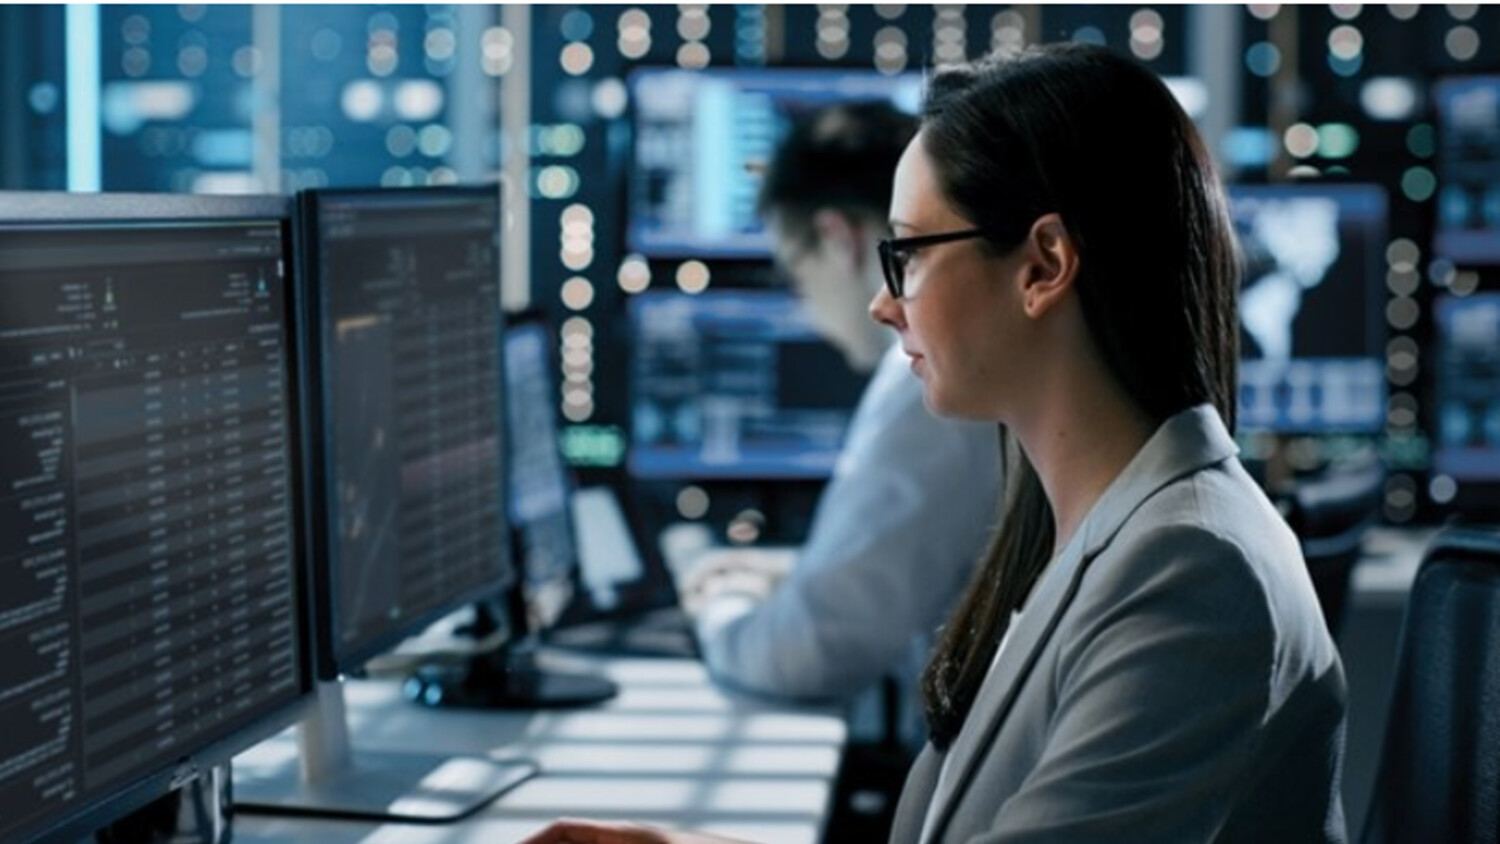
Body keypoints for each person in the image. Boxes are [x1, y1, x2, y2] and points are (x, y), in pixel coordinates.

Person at [522, 41, 1347, 844]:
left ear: (1042, 266)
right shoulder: (1098, 526)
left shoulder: (1192, 569)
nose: (887, 306)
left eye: (909, 254)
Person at [679, 101, 1001, 752]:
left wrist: (717, 602)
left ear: (839, 237)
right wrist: (787, 570)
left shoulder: (931, 387)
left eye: (795, 277)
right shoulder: (963, 367)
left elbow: (811, 652)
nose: (807, 310)